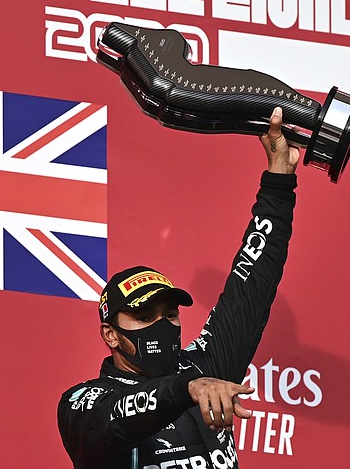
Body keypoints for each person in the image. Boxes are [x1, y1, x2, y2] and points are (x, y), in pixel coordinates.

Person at [57, 107, 300, 469]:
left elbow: (250, 286)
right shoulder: (85, 402)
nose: (161, 324)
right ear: (110, 333)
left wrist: (279, 179)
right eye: (143, 316)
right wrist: (187, 388)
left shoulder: (206, 366)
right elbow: (114, 419)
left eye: (169, 314)